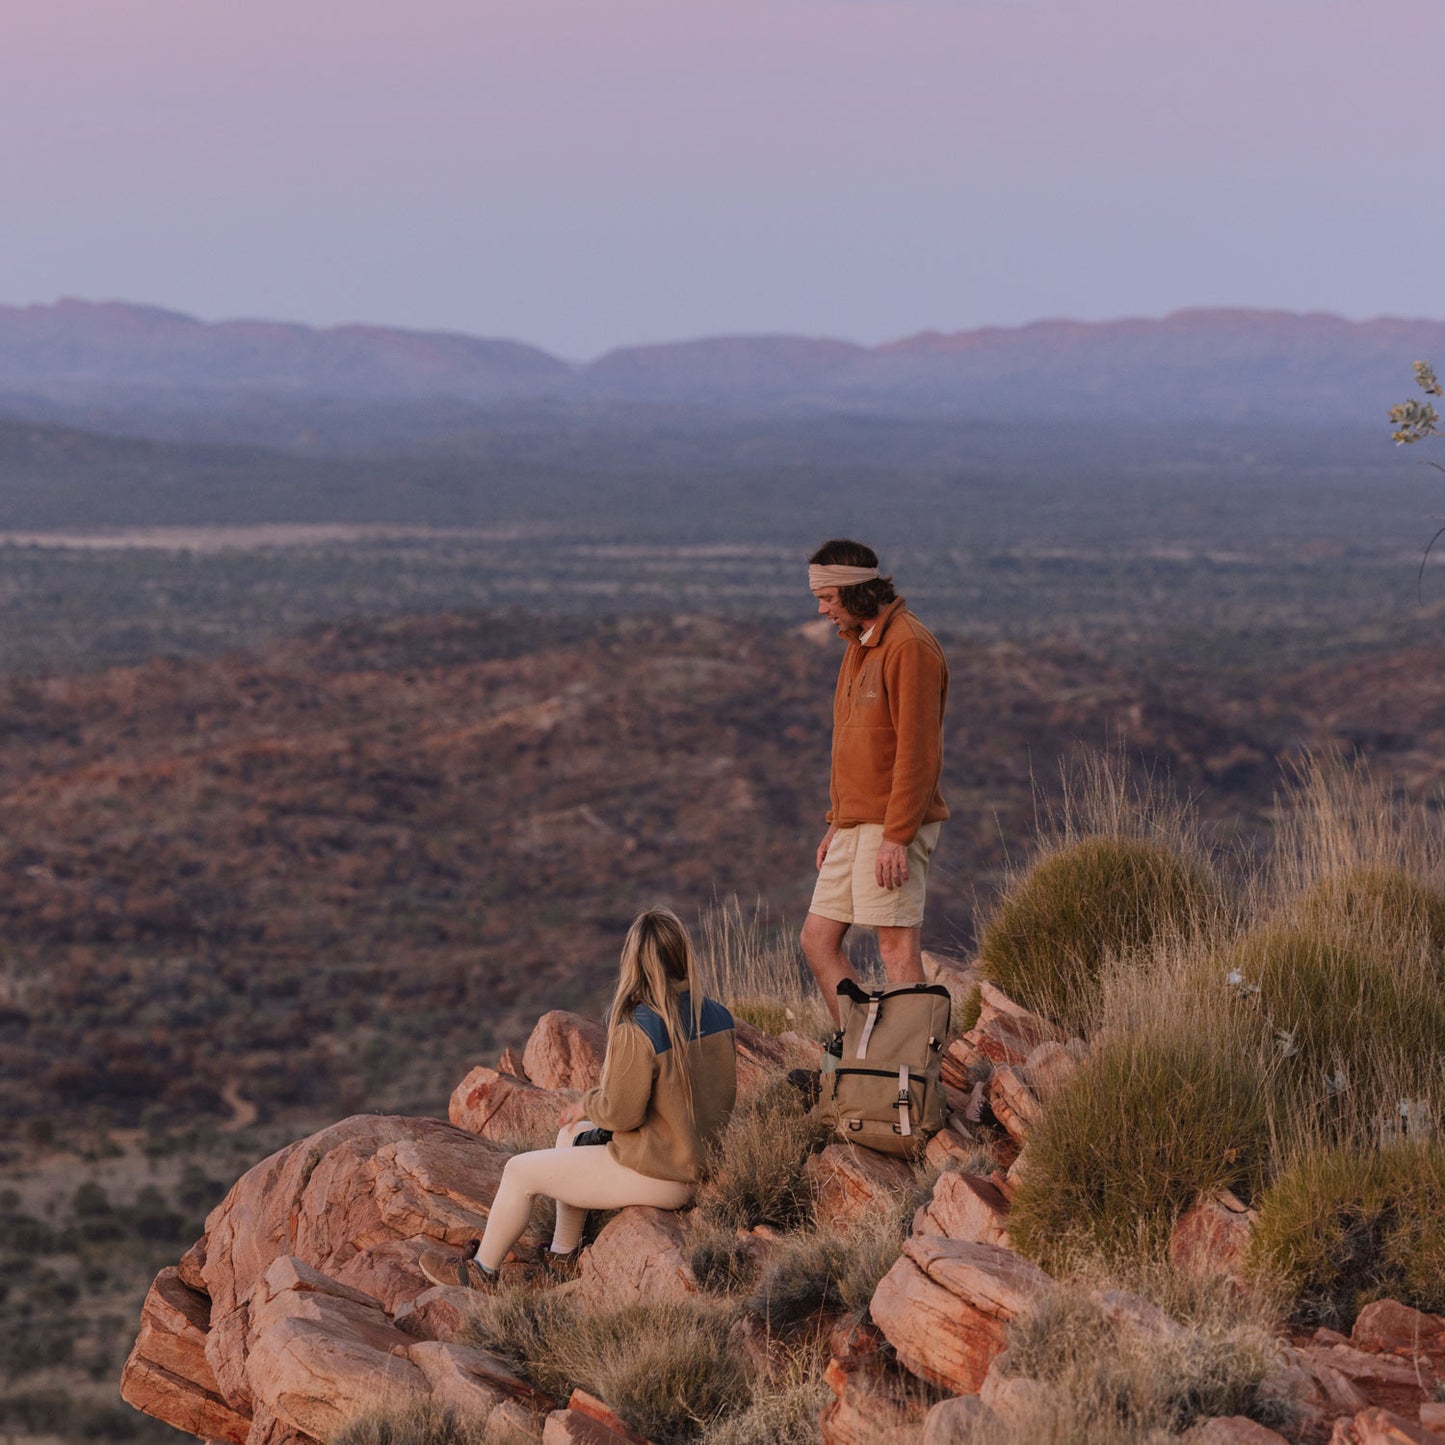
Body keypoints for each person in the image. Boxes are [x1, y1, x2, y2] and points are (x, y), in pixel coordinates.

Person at [419, 907, 736, 1288]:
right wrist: (587, 1114)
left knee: (518, 1172)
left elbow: (622, 1114)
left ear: (634, 962)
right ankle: (563, 1256)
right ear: (682, 954)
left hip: (661, 1173)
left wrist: (587, 1103)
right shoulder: (718, 1016)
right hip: (695, 1161)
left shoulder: (639, 1026)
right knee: (572, 1133)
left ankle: (479, 1273)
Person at [800, 539, 950, 1027]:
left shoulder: (908, 646)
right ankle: (864, 1051)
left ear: (854, 590)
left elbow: (918, 753)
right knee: (818, 940)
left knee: (896, 948)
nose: (822, 609)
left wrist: (897, 836)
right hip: (855, 823)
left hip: (892, 825)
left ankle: (913, 1064)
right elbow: (857, 747)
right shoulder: (859, 645)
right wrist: (837, 822)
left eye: (827, 598)